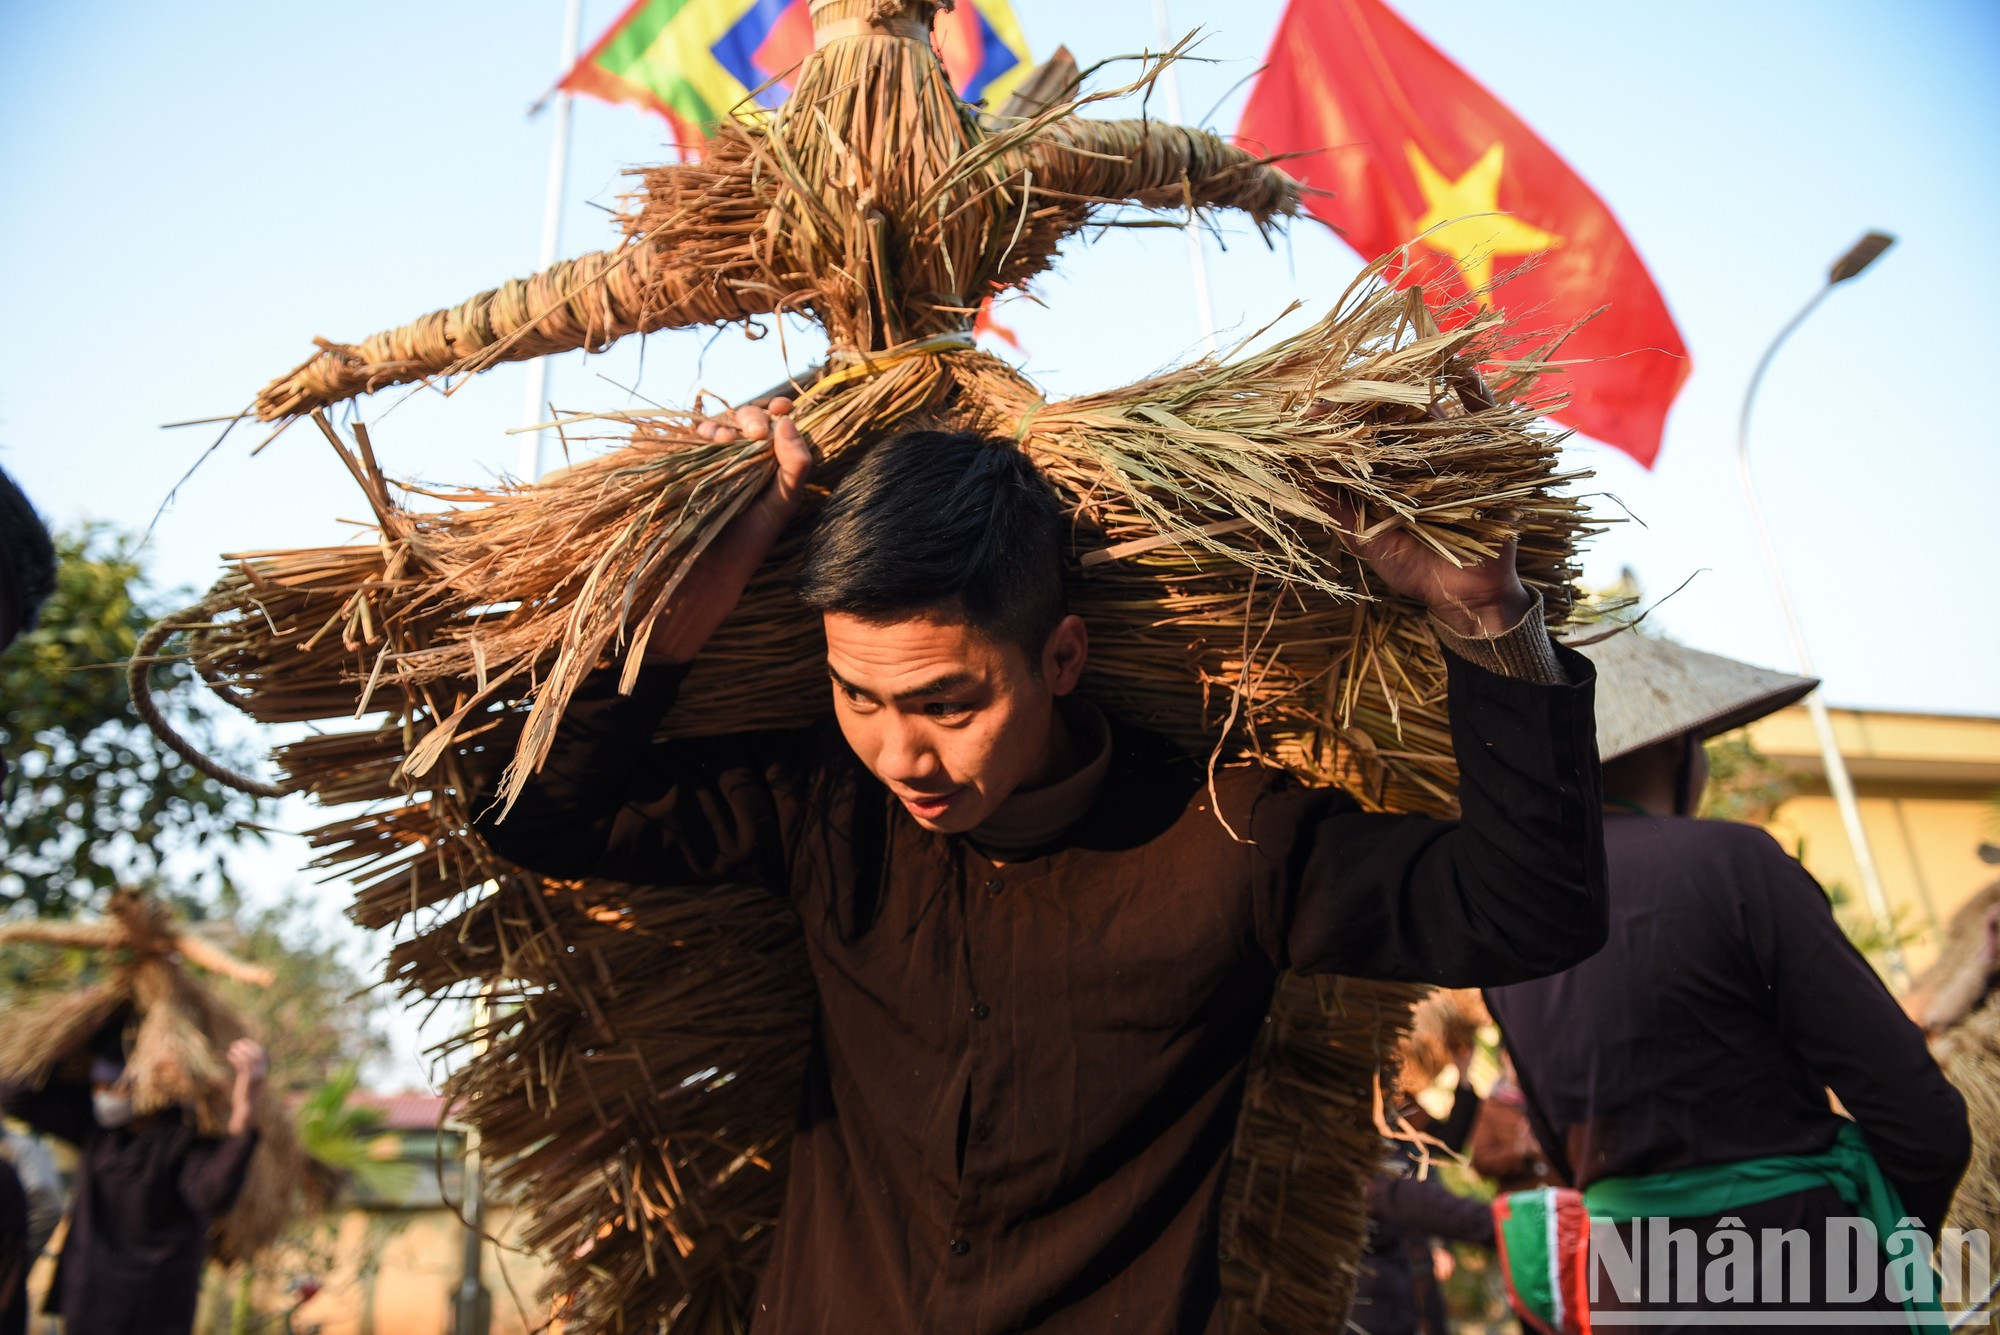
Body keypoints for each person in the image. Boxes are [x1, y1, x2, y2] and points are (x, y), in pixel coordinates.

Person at [477, 402, 1608, 1334]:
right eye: (856, 697)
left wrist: (1487, 624)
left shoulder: (1227, 841)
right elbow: (537, 816)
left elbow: (1527, 914)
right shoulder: (827, 810)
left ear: (1060, 657)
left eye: (948, 703)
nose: (899, 753)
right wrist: (681, 607)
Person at [1484, 631, 1972, 1330]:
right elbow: (1924, 1122)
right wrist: (1881, 1235)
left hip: (1633, 1289)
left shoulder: (1513, 914)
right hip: (1798, 1269)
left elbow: (1565, 1155)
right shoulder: (1733, 861)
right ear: (1683, 749)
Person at [0, 1027, 268, 1335]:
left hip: (157, 1305)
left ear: (147, 1086)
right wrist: (68, 1037)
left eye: (112, 1085)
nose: (101, 1094)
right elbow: (12, 1095)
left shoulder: (184, 1137)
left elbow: (212, 1194)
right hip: (89, 1297)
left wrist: (243, 1111)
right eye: (96, 1085)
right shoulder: (94, 1128)